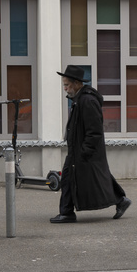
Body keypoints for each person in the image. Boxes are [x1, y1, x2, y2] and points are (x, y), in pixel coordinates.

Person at [51, 65, 131, 223]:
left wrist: (85, 151)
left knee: (96, 179)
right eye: (64, 85)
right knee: (76, 178)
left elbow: (95, 130)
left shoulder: (87, 101)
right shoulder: (79, 99)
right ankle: (67, 212)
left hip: (84, 151)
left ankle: (119, 201)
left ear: (76, 83)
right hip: (78, 150)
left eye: (67, 85)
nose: (65, 89)